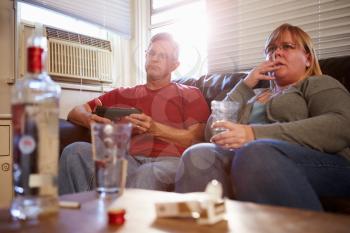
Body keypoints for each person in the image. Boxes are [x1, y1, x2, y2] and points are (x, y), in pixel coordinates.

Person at [175, 24, 350, 211]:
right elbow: (212, 133)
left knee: (254, 152)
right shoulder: (253, 94)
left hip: (326, 164)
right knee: (198, 155)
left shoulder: (317, 83)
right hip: (250, 155)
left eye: (287, 47)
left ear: (308, 58)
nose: (277, 53)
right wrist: (245, 84)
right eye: (271, 49)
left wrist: (252, 134)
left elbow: (341, 124)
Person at [59, 33, 210, 195]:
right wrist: (91, 121)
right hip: (126, 160)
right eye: (151, 53)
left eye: (163, 56)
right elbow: (75, 112)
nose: (155, 59)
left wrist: (154, 128)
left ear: (175, 65)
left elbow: (197, 138)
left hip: (170, 162)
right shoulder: (123, 94)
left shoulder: (189, 93)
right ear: (145, 57)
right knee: (74, 152)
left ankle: (120, 215)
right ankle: (77, 216)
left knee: (147, 173)